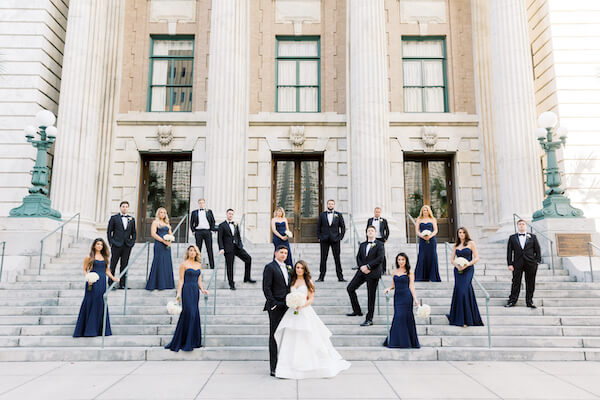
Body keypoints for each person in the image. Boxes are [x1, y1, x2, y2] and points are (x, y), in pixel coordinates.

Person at [275, 260, 351, 379]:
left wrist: (302, 305)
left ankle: (311, 366)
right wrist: (292, 303)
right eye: (297, 267)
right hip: (293, 312)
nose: (299, 269)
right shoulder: (292, 281)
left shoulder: (308, 281)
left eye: (301, 268)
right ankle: (288, 368)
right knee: (291, 338)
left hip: (304, 311)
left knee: (308, 337)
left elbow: (311, 299)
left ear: (305, 270)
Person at [165, 245, 208, 351]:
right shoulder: (184, 264)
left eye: (194, 251)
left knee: (194, 313)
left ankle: (193, 341)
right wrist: (178, 294)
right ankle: (185, 341)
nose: (192, 252)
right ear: (188, 252)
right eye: (190, 250)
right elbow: (181, 280)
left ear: (196, 253)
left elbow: (199, 280)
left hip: (195, 291)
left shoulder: (198, 265)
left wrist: (202, 289)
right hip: (187, 290)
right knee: (189, 313)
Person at [73, 238, 120, 337]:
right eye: (98, 244)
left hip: (102, 282)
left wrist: (113, 278)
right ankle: (89, 330)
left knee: (101, 302)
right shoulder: (89, 257)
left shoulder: (105, 257)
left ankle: (100, 330)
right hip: (92, 282)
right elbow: (85, 270)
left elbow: (107, 270)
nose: (99, 246)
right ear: (94, 245)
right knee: (91, 302)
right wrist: (88, 278)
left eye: (101, 245)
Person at [346, 226, 385, 326]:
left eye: (372, 231)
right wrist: (362, 267)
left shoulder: (380, 244)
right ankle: (357, 311)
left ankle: (369, 319)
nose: (370, 232)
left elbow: (380, 258)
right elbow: (358, 257)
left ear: (375, 233)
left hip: (373, 272)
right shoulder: (363, 244)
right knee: (350, 288)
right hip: (362, 271)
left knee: (371, 296)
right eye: (368, 231)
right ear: (366, 233)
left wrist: (368, 266)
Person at [263, 246, 291, 377]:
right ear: (276, 253)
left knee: (286, 336)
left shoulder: (289, 268)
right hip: (275, 306)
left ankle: (285, 364)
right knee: (274, 336)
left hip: (288, 305)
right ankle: (273, 367)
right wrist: (273, 303)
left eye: (286, 253)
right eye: (281, 252)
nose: (284, 255)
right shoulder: (270, 267)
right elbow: (266, 287)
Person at [447, 227, 484, 327]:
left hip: (468, 270)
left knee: (464, 290)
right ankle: (459, 318)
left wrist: (467, 264)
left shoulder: (471, 243)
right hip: (458, 270)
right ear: (458, 234)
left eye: (463, 232)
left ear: (466, 233)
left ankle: (468, 319)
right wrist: (457, 266)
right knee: (460, 291)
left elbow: (476, 258)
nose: (461, 234)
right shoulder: (456, 245)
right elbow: (452, 260)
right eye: (459, 232)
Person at [383, 253, 420, 348]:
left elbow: (411, 285)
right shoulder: (394, 272)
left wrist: (415, 298)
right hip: (397, 297)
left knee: (403, 317)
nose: (401, 261)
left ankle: (406, 342)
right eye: (399, 260)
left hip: (406, 296)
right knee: (398, 316)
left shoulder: (410, 272)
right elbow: (394, 285)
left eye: (403, 259)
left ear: (406, 260)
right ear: (397, 261)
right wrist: (388, 288)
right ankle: (397, 341)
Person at [505, 219, 541, 308]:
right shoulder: (512, 237)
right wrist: (510, 263)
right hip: (517, 263)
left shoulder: (532, 237)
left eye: (523, 224)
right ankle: (512, 301)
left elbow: (538, 250)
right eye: (520, 224)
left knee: (530, 282)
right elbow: (509, 252)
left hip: (531, 263)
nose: (521, 225)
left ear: (526, 226)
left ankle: (529, 301)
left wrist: (537, 261)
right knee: (516, 282)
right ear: (517, 226)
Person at [218, 209, 255, 290]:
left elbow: (238, 236)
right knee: (230, 266)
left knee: (248, 258)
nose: (230, 215)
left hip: (237, 247)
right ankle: (231, 284)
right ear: (226, 214)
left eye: (232, 214)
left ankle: (247, 278)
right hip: (228, 248)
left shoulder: (235, 224)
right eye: (229, 214)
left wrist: (241, 245)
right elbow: (219, 238)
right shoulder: (222, 225)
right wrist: (221, 248)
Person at [107, 201, 136, 289]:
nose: (125, 208)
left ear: (128, 208)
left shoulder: (131, 219)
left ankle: (122, 284)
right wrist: (111, 242)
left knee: (124, 265)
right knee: (113, 264)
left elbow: (133, 232)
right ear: (120, 207)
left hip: (127, 245)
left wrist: (132, 242)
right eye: (123, 206)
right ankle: (111, 284)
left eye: (126, 206)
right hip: (116, 244)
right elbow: (109, 231)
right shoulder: (114, 218)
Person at [145, 207, 175, 290]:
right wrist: (162, 241)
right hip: (159, 245)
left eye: (164, 213)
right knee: (158, 261)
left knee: (166, 262)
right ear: (158, 213)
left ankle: (167, 284)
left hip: (167, 246)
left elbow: (171, 234)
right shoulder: (155, 222)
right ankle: (157, 284)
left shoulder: (167, 224)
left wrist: (169, 241)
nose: (162, 214)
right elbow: (153, 234)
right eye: (161, 212)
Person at [316, 199, 346, 282]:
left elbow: (343, 227)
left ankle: (340, 277)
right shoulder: (322, 215)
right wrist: (319, 237)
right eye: (329, 204)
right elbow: (318, 227)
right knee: (323, 258)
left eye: (332, 204)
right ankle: (321, 277)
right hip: (324, 239)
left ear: (334, 205)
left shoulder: (338, 215)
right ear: (327, 205)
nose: (330, 205)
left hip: (335, 239)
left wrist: (340, 237)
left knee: (337, 258)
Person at [414, 205, 441, 282]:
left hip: (431, 240)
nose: (425, 212)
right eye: (423, 210)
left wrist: (430, 236)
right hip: (422, 241)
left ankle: (433, 277)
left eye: (426, 210)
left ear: (429, 211)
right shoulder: (419, 220)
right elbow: (417, 231)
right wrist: (422, 236)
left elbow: (435, 230)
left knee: (432, 256)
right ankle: (421, 276)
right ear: (422, 211)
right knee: (422, 256)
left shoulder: (433, 219)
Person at [190, 198, 217, 269]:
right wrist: (193, 231)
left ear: (204, 204)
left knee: (209, 249)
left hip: (207, 231)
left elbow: (213, 221)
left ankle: (212, 266)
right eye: (200, 203)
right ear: (198, 204)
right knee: (198, 249)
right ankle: (196, 265)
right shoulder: (194, 212)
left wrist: (212, 230)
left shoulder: (209, 211)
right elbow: (191, 223)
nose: (201, 204)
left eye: (202, 203)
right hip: (198, 232)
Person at [367, 207, 389, 273]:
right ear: (374, 212)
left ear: (380, 213)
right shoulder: (370, 220)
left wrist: (385, 238)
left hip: (380, 239)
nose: (377, 213)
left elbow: (387, 230)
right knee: (372, 254)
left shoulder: (383, 220)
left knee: (382, 254)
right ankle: (373, 268)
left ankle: (383, 269)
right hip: (372, 239)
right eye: (376, 212)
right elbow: (367, 229)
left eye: (379, 212)